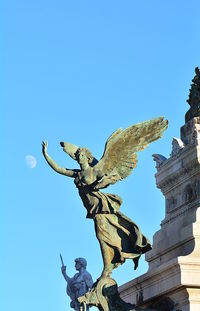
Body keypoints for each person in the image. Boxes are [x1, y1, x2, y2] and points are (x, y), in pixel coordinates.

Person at [42, 141, 152, 279]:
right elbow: (59, 169)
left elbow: (108, 178)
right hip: (94, 212)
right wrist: (46, 154)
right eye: (77, 155)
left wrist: (102, 182)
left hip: (101, 209)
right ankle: (109, 266)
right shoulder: (77, 174)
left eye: (81, 155)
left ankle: (107, 269)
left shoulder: (96, 170)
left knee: (102, 237)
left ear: (88, 158)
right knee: (105, 236)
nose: (78, 157)